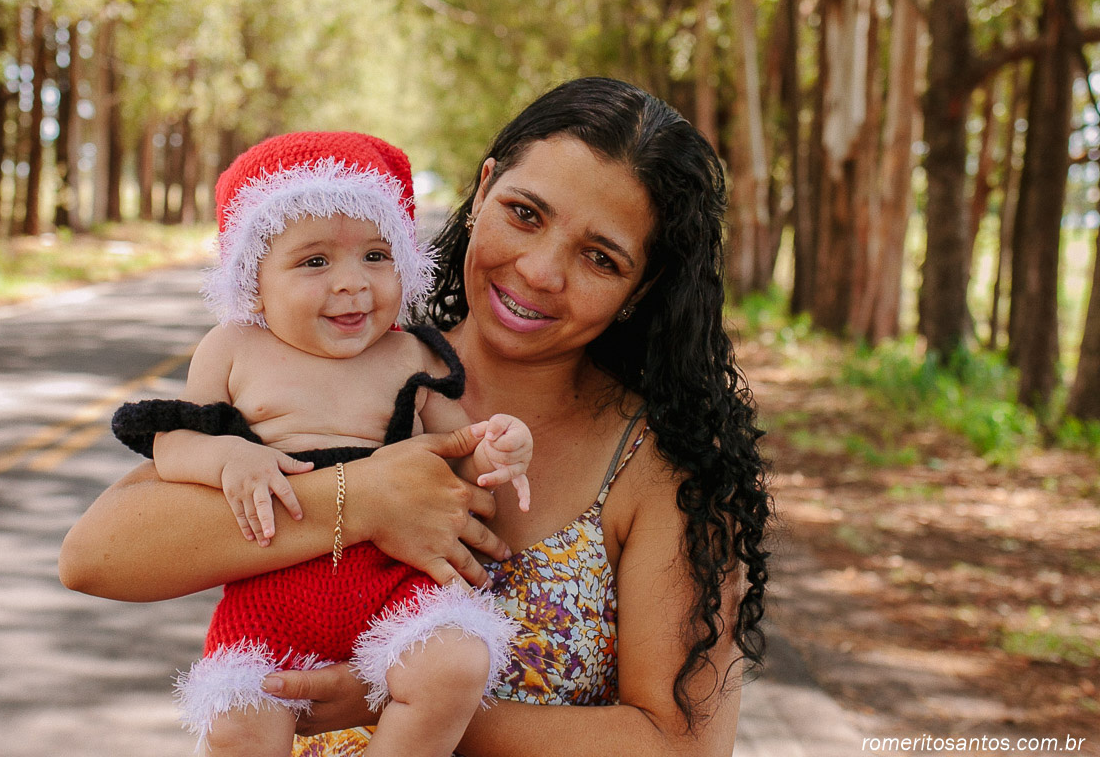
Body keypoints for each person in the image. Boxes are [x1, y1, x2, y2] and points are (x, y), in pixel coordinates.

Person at [60, 76, 771, 756]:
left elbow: (681, 745)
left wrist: (403, 701)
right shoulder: (350, 360)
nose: (540, 271)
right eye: (525, 214)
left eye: (600, 258)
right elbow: (96, 558)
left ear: (641, 286)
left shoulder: (665, 464)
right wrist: (364, 500)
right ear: (483, 190)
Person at [105, 131, 532, 757]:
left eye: (376, 256)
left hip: (391, 582)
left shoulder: (408, 353)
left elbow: (458, 449)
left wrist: (497, 448)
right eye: (314, 262)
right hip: (271, 592)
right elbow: (174, 445)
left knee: (456, 663)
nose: (353, 283)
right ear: (254, 280)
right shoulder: (232, 349)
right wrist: (230, 457)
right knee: (240, 723)